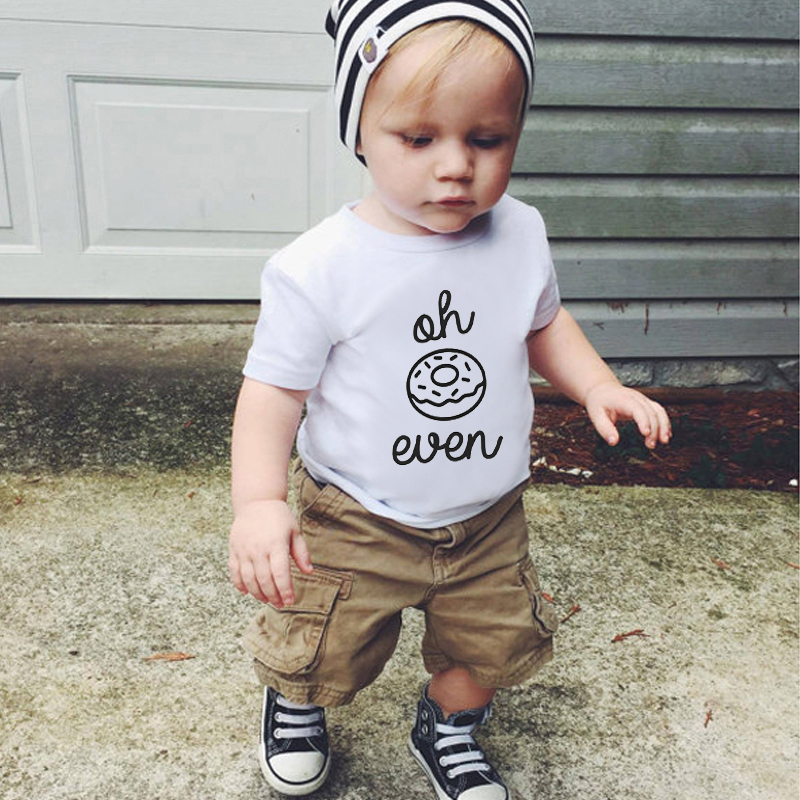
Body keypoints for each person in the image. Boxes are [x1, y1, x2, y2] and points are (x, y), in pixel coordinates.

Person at [228, 1, 672, 797]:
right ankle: (298, 699)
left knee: (490, 645)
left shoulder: (519, 234)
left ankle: (448, 724)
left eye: (487, 138)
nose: (456, 166)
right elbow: (273, 392)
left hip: (488, 516)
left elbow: (544, 323)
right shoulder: (321, 266)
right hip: (359, 513)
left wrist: (597, 384)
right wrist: (259, 503)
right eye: (418, 138)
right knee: (326, 637)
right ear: (359, 132)